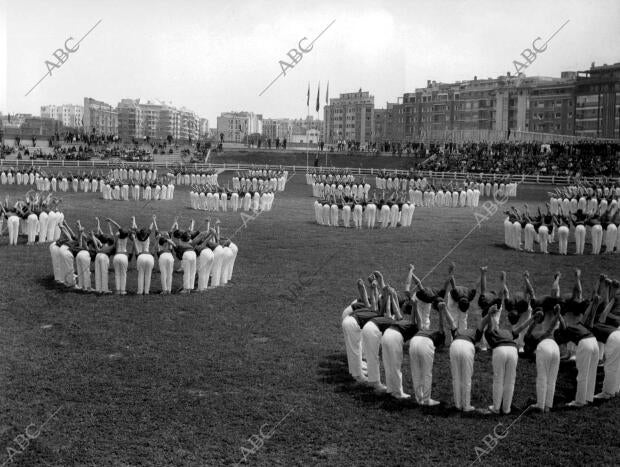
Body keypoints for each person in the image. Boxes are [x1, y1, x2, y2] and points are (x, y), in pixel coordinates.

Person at [554, 296, 600, 407]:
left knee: (582, 374)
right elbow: (588, 316)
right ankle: (588, 398)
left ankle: (579, 401)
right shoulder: (580, 324)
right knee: (591, 373)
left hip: (586, 344)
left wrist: (558, 314)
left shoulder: (567, 329)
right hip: (594, 342)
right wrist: (594, 304)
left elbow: (563, 324)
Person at [523, 305, 562, 412]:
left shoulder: (530, 338)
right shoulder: (547, 331)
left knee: (542, 377)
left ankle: (540, 405)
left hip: (544, 347)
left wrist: (534, 320)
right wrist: (558, 313)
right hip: (556, 348)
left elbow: (528, 332)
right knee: (552, 379)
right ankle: (548, 406)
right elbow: (553, 325)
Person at [409, 301, 448, 406]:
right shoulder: (439, 334)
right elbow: (441, 325)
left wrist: (415, 307)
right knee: (427, 373)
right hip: (425, 344)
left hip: (414, 341)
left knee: (416, 371)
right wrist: (440, 311)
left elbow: (419, 322)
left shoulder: (423, 329)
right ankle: (426, 400)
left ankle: (419, 398)